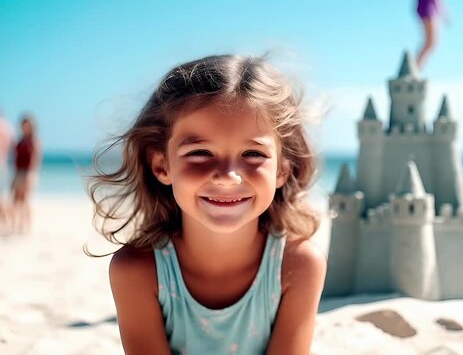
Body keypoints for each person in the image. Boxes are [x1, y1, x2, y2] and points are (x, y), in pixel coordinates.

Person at [88, 54, 327, 354]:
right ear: (162, 165)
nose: (228, 177)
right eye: (200, 152)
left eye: (253, 154)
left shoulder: (298, 266)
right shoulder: (137, 270)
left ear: (281, 169)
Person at [11, 114, 40, 234]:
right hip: (19, 172)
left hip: (28, 173)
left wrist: (30, 175)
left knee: (26, 199)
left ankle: (26, 226)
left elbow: (35, 158)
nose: (24, 127)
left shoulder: (33, 141)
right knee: (17, 200)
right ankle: (19, 225)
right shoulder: (21, 140)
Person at [416, 0, 449, 69]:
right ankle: (414, 69)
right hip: (428, 7)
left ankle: (415, 69)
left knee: (431, 43)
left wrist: (444, 11)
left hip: (431, 8)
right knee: (430, 42)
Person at [0, 108, 13, 228]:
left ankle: (5, 222)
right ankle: (8, 221)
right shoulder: (8, 127)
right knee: (4, 195)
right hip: (5, 164)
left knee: (2, 196)